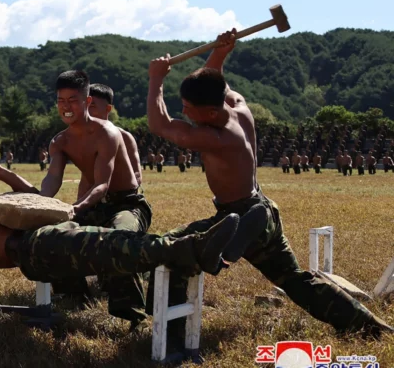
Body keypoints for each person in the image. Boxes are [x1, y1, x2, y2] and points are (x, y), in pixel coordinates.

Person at [145, 29, 392, 351]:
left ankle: (173, 338)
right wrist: (220, 52)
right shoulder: (238, 107)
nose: (185, 112)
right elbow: (216, 80)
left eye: (188, 107)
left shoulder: (215, 138)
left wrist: (155, 80)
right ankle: (368, 326)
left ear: (207, 112)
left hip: (239, 216)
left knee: (173, 249)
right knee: (293, 280)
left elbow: (159, 124)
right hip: (261, 211)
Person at [0, 151, 244, 299]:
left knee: (115, 241)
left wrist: (3, 173)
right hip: (31, 250)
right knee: (109, 246)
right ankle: (192, 249)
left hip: (43, 234)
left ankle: (203, 234)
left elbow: (34, 201)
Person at [14, 70, 152, 327]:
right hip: (94, 205)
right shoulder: (60, 141)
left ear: (87, 101)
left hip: (126, 204)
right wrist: (41, 205)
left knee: (119, 238)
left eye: (72, 100)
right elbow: (52, 178)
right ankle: (74, 294)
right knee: (51, 235)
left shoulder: (107, 133)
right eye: (61, 101)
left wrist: (76, 208)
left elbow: (102, 184)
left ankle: (134, 314)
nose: (66, 107)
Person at [82, 83, 143, 190]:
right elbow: (85, 182)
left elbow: (136, 175)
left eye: (92, 106)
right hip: (92, 200)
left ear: (108, 108)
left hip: (119, 199)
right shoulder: (84, 138)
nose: (87, 112)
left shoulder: (124, 137)